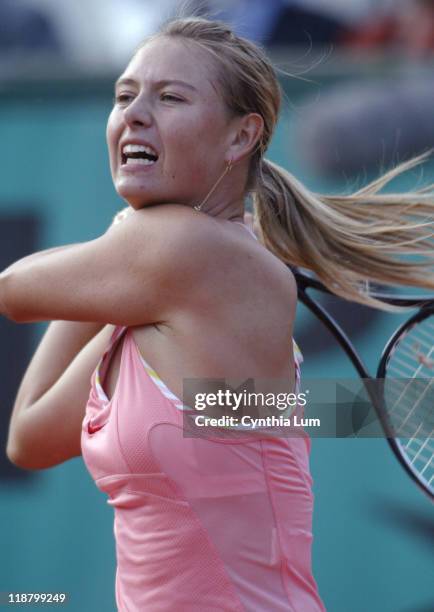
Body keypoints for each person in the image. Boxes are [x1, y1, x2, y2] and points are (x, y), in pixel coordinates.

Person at [2, 15, 434, 612]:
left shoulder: (185, 249)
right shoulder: (177, 285)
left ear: (240, 137)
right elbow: (30, 438)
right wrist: (112, 281)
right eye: (124, 96)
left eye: (170, 97)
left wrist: (118, 254)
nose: (134, 112)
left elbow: (12, 291)